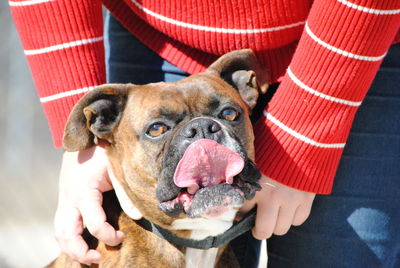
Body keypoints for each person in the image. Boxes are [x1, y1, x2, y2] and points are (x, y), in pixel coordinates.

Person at [10, 0, 399, 267]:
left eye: (227, 115)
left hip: (361, 35)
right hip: (156, 31)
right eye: (160, 128)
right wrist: (80, 139)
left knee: (339, 253)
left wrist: (304, 143)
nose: (203, 138)